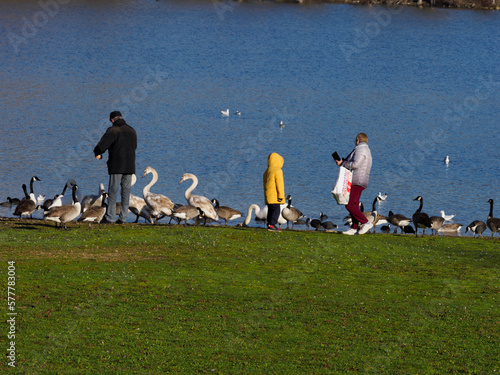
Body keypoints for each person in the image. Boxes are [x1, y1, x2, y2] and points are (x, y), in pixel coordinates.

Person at [94, 111, 137, 224]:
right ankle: (123, 218)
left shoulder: (113, 130)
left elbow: (103, 144)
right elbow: (135, 147)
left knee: (113, 191)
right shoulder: (132, 130)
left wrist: (97, 152)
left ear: (112, 120)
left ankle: (110, 217)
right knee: (126, 192)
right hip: (130, 166)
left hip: (117, 166)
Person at [336, 133, 373, 235]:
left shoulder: (361, 149)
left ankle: (366, 222)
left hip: (357, 180)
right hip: (360, 180)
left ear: (357, 140)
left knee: (349, 205)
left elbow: (355, 164)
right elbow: (353, 161)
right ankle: (354, 227)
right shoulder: (365, 149)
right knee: (354, 205)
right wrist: (343, 161)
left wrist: (343, 164)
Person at [263, 152, 285, 231]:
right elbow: (280, 185)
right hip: (275, 195)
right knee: (276, 210)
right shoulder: (278, 171)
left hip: (268, 195)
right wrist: (281, 197)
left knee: (270, 210)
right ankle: (272, 225)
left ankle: (269, 224)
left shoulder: (267, 171)